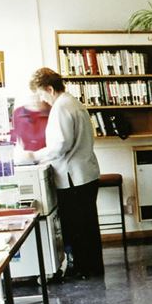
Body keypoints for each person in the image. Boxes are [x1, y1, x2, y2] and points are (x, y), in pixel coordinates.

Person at [25, 67, 104, 278]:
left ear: (49, 89)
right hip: (84, 173)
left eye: (41, 94)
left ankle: (83, 269)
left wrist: (35, 156)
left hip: (73, 178)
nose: (42, 99)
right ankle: (91, 267)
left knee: (77, 226)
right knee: (87, 225)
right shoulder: (73, 102)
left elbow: (60, 144)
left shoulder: (61, 107)